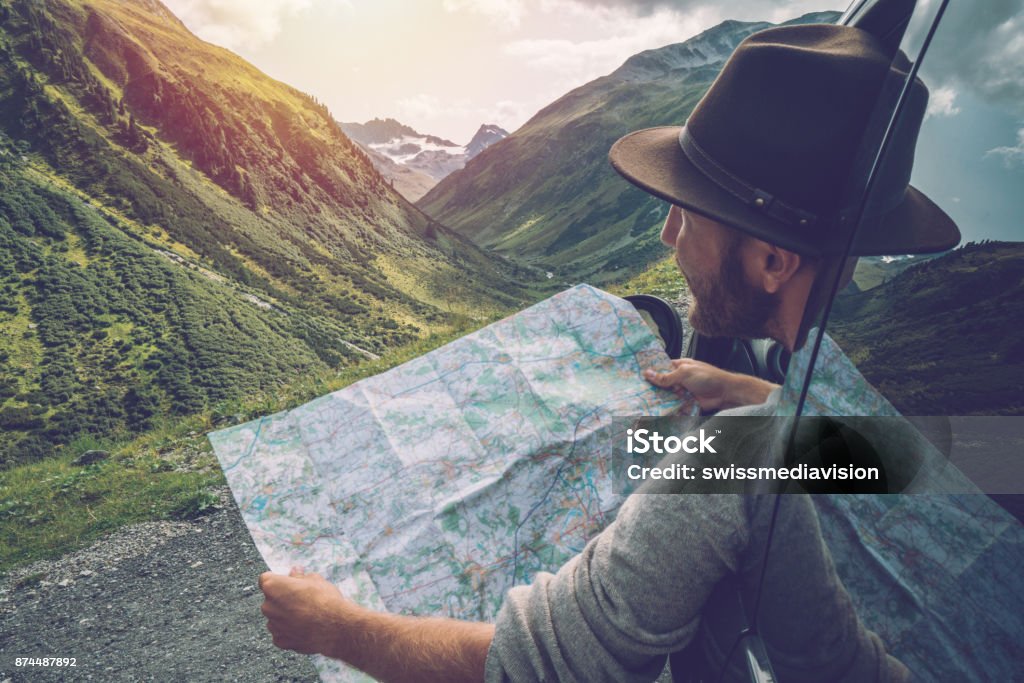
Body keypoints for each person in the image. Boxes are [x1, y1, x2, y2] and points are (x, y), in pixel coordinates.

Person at [259, 23, 958, 682]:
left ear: (772, 261)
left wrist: (335, 626)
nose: (667, 235)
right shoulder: (954, 406)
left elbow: (544, 660)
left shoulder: (745, 454)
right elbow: (917, 455)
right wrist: (756, 393)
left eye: (687, 213)